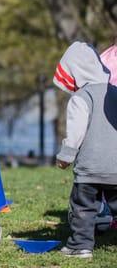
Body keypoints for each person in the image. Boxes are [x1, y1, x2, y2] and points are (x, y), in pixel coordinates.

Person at [53, 41, 117, 258]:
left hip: (89, 169)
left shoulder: (82, 97)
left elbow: (76, 131)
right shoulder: (114, 92)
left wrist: (66, 156)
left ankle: (80, 246)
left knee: (84, 208)